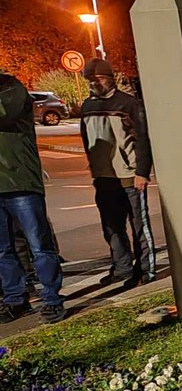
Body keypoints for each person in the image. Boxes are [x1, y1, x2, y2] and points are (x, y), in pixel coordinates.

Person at [79, 58, 156, 289]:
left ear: (111, 79)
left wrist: (142, 171)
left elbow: (143, 139)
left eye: (99, 78)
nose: (95, 83)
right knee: (111, 225)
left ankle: (145, 269)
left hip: (129, 174)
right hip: (103, 176)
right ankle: (121, 267)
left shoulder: (129, 104)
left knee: (139, 225)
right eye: (91, 80)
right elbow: (87, 138)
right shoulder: (87, 106)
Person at [0, 72, 65, 324]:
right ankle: (15, 298)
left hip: (21, 181)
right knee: (3, 250)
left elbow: (4, 114)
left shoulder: (11, 88)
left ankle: (52, 299)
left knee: (39, 244)